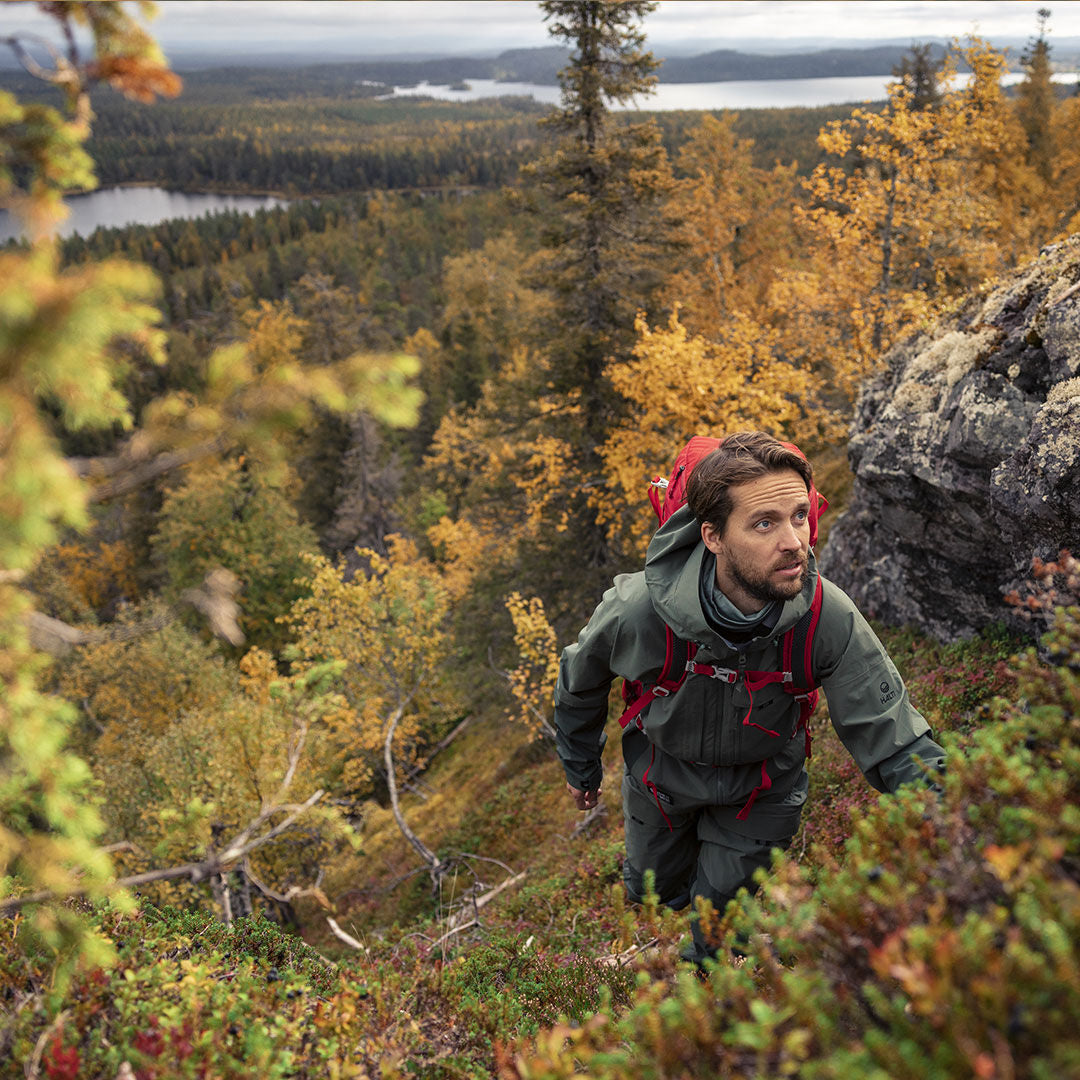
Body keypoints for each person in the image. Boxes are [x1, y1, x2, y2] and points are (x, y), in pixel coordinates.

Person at [554, 431, 945, 964]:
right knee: (655, 893)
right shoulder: (638, 611)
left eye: (800, 516)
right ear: (713, 537)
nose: (795, 542)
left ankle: (706, 999)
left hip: (762, 790)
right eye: (765, 523)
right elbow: (580, 682)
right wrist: (581, 767)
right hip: (661, 780)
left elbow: (893, 736)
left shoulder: (824, 616)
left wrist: (964, 814)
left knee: (716, 925)